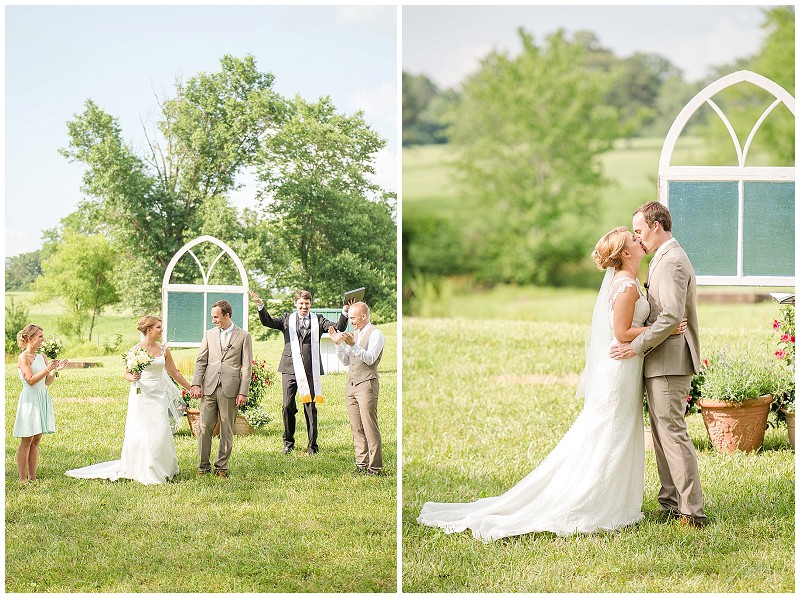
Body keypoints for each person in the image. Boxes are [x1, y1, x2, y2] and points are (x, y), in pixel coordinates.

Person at [417, 227, 688, 540]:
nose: (639, 240)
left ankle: (616, 500)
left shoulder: (630, 282)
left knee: (618, 434)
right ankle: (590, 501)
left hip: (627, 368)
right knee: (607, 434)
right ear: (626, 254)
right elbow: (622, 333)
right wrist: (664, 329)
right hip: (618, 371)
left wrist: (655, 328)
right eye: (633, 239)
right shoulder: (626, 286)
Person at [610, 201, 706, 529]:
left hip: (670, 361)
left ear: (655, 225)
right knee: (663, 435)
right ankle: (670, 502)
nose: (638, 238)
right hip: (660, 361)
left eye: (639, 230)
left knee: (673, 435)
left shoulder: (672, 261)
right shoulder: (662, 260)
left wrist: (635, 346)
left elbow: (670, 317)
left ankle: (692, 513)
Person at [66, 316, 191, 485]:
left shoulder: (164, 350)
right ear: (149, 330)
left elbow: (174, 372)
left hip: (159, 395)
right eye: (159, 327)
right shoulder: (135, 351)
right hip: (142, 395)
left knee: (160, 431)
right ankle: (144, 469)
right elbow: (126, 373)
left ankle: (163, 467)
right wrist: (133, 377)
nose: (162, 330)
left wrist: (191, 388)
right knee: (143, 432)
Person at [249, 289, 348, 455]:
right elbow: (269, 322)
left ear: (310, 304)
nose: (304, 307)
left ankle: (312, 446)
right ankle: (288, 442)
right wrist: (260, 306)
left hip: (310, 369)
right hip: (289, 368)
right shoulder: (287, 319)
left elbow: (337, 328)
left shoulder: (318, 320)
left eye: (307, 304)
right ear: (295, 303)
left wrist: (344, 311)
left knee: (310, 407)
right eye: (301, 304)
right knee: (287, 406)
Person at [190, 300, 253, 478]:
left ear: (227, 315)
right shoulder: (209, 334)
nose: (214, 320)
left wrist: (243, 392)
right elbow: (201, 360)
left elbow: (247, 367)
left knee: (226, 428)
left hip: (230, 389)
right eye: (212, 317)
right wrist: (196, 383)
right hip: (208, 387)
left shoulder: (243, 336)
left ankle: (221, 467)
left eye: (216, 317)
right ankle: (203, 467)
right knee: (204, 427)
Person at [329, 301, 385, 475]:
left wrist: (353, 345)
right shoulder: (354, 334)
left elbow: (370, 359)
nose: (351, 321)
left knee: (369, 426)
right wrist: (338, 343)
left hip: (367, 384)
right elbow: (347, 361)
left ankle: (375, 467)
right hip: (351, 385)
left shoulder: (376, 334)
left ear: (363, 316)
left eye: (353, 317)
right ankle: (361, 464)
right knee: (356, 427)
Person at [14, 324, 67, 482]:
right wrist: (47, 369)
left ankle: (33, 477)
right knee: (27, 439)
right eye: (40, 337)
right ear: (30, 339)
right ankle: (22, 479)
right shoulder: (23, 357)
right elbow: (30, 380)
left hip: (42, 397)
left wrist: (55, 370)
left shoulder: (42, 357)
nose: (43, 340)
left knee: (36, 439)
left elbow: (47, 382)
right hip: (30, 400)